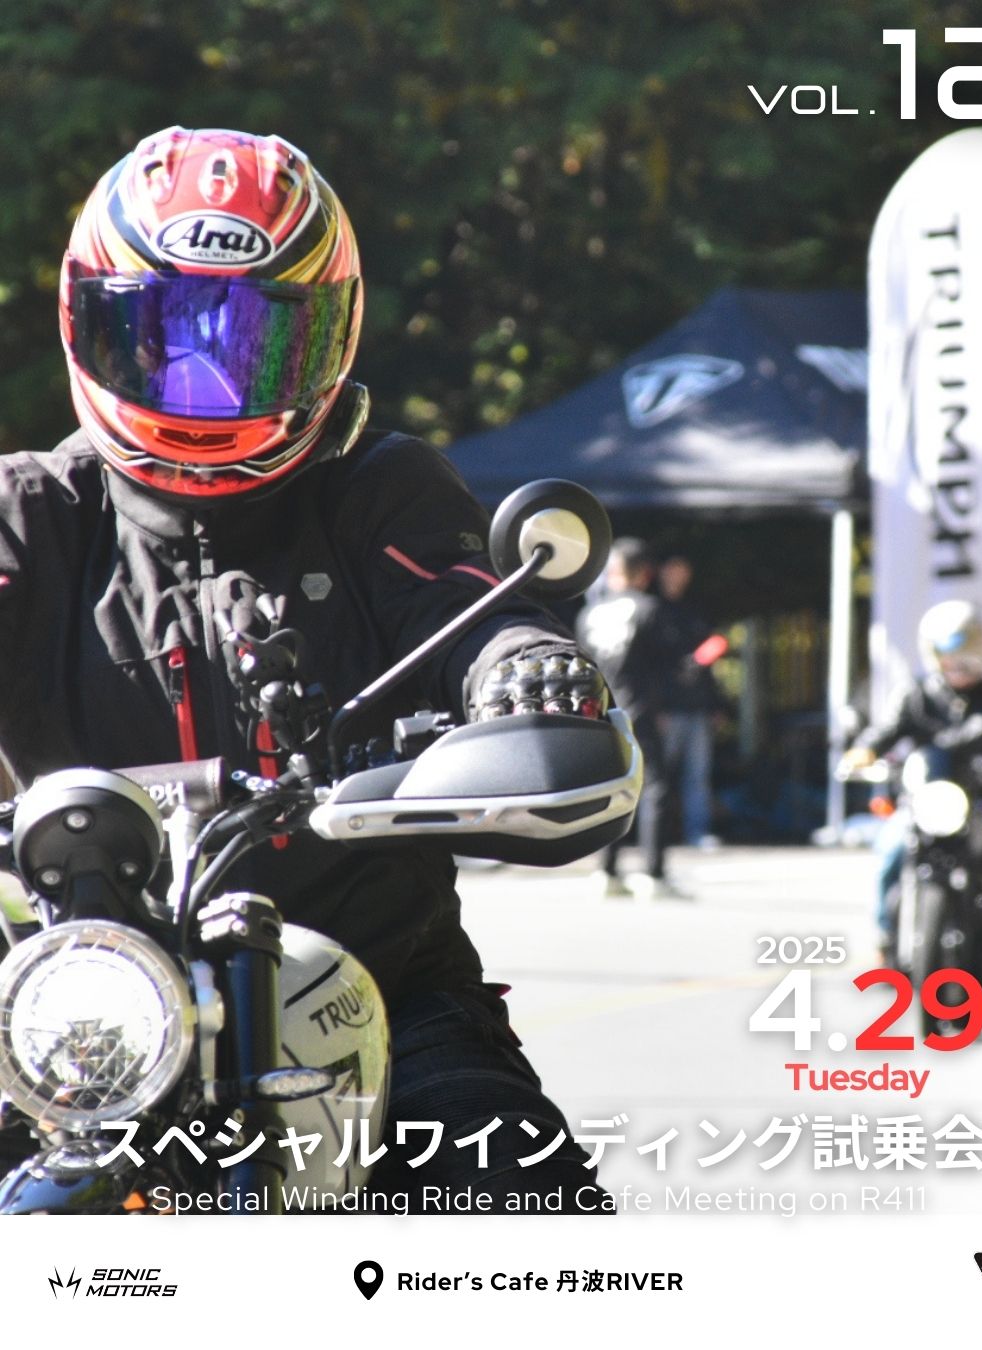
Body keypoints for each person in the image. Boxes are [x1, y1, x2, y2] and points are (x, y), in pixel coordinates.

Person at [0, 126, 617, 1210]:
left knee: (525, 1211)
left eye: (251, 341)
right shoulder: (31, 516)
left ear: (330, 336)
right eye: (162, 334)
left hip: (378, 984)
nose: (202, 377)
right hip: (75, 1009)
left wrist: (526, 670)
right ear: (87, 320)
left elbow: (467, 609)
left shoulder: (379, 491)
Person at [840, 599, 982, 975]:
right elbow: (884, 732)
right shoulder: (916, 694)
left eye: (963, 652)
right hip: (924, 805)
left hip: (979, 802)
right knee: (890, 851)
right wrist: (862, 750)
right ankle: (884, 940)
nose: (955, 663)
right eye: (947, 653)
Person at [576, 537, 685, 899]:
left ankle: (606, 870)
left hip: (599, 711)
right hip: (639, 708)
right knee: (654, 788)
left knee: (609, 789)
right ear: (645, 573)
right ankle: (653, 872)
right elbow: (670, 665)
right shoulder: (650, 609)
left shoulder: (589, 614)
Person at [655, 554, 729, 849]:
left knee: (697, 776)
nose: (678, 576)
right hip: (667, 709)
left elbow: (707, 664)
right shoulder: (653, 611)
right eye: (673, 569)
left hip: (697, 707)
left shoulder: (695, 610)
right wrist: (656, 707)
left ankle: (697, 832)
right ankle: (654, 834)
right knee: (659, 776)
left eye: (683, 570)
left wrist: (715, 705)